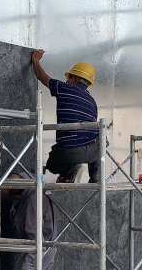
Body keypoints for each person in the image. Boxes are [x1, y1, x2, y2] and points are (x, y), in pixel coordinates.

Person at [30, 49, 101, 184]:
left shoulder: (64, 88)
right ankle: (95, 178)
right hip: (94, 152)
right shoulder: (92, 101)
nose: (66, 80)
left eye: (68, 78)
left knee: (52, 163)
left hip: (72, 152)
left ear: (73, 79)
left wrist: (36, 60)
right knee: (98, 138)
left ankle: (71, 170)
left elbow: (41, 76)